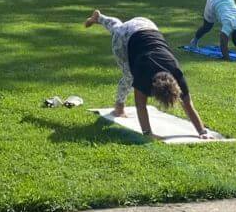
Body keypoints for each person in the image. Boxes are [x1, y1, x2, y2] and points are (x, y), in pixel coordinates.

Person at [85, 9, 210, 139]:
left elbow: (188, 105)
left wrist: (202, 132)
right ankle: (119, 107)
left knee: (119, 28)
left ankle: (99, 18)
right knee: (128, 76)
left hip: (145, 24)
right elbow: (140, 105)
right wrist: (147, 133)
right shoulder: (143, 73)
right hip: (129, 35)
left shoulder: (176, 73)